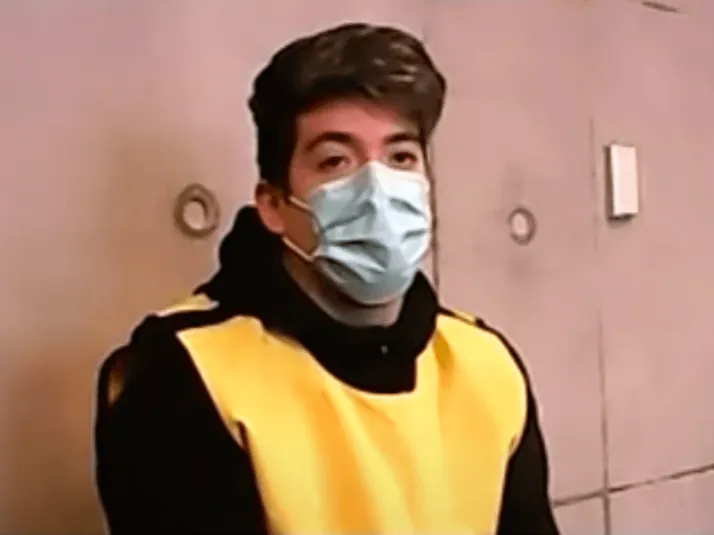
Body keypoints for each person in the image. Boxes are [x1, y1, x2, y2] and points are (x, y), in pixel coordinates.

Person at [94, 22, 560, 535]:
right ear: (274, 205)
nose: (377, 190)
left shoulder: (486, 365)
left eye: (401, 157)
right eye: (336, 160)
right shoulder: (186, 372)